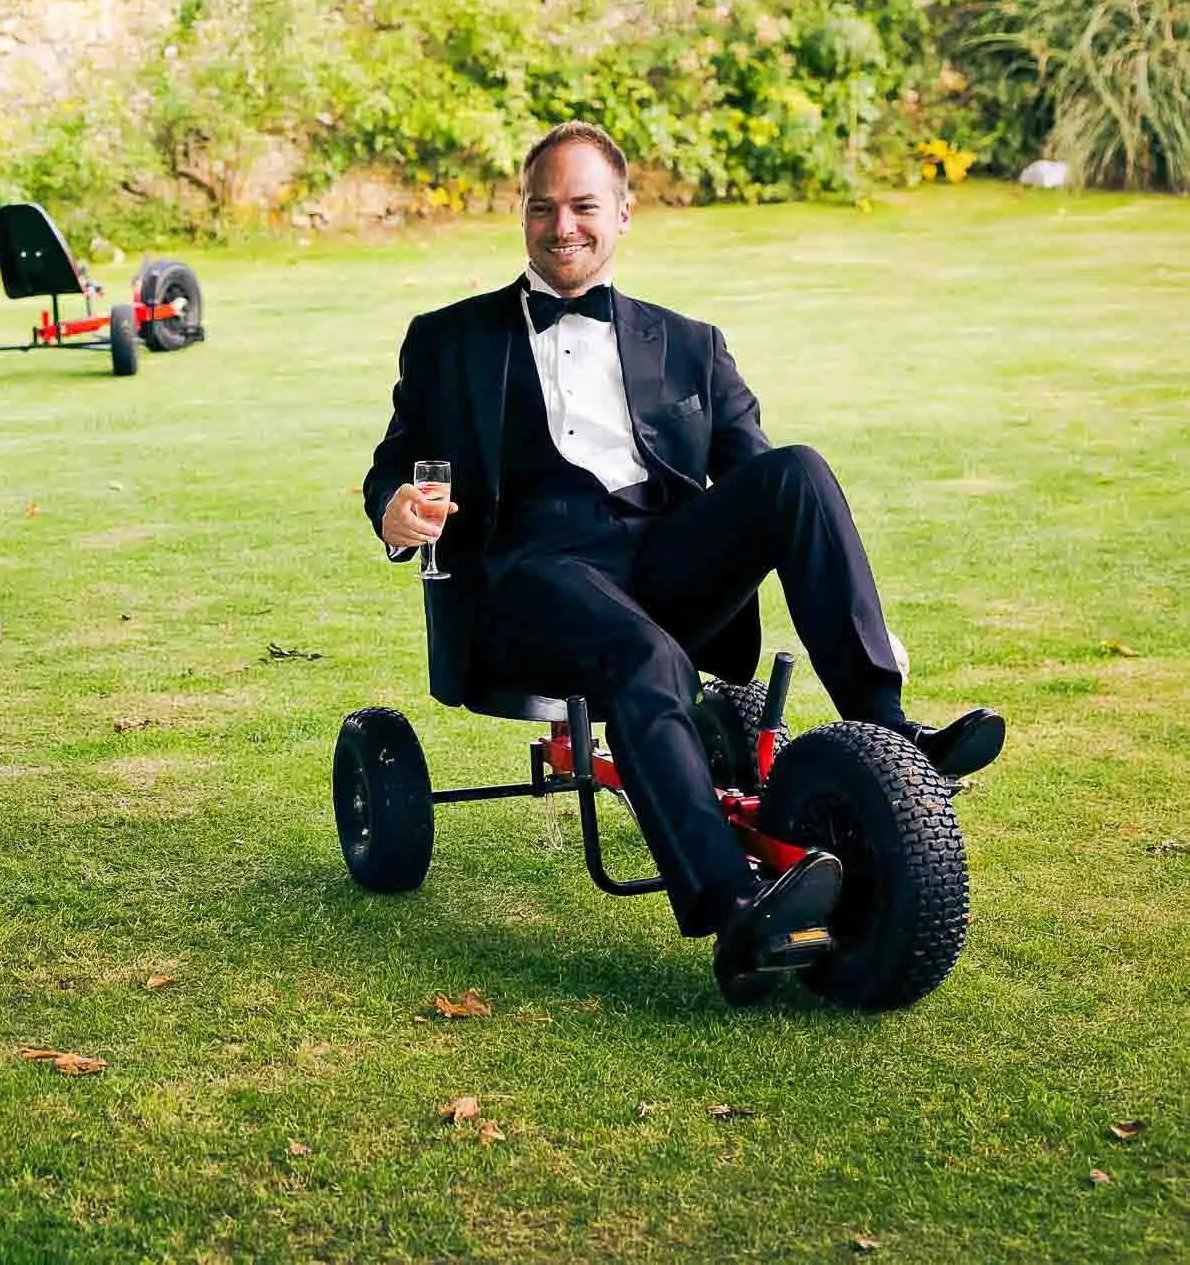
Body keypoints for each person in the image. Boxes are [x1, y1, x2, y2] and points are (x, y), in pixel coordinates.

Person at [360, 120, 1004, 986]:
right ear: (523, 214)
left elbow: (756, 493)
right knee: (640, 653)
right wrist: (395, 508)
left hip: (659, 558)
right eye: (543, 207)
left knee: (797, 474)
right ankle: (729, 908)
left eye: (584, 206)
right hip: (531, 568)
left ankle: (887, 725)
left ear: (623, 213)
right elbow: (393, 464)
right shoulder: (450, 338)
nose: (563, 227)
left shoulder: (691, 342)